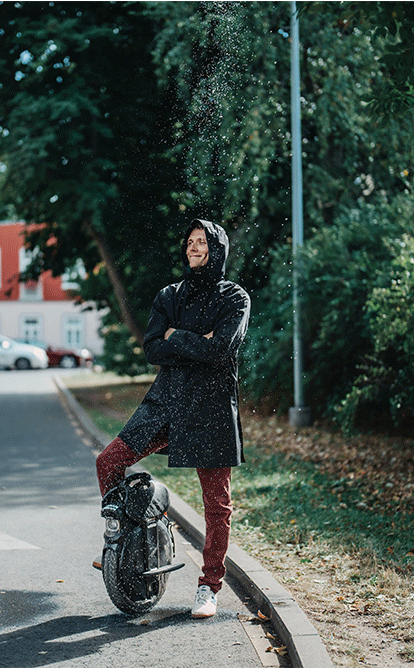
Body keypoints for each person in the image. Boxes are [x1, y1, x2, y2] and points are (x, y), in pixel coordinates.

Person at [95, 219, 251, 619]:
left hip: (212, 408)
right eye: (190, 241)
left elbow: (220, 351)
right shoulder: (169, 295)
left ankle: (209, 586)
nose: (194, 247)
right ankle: (124, 542)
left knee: (216, 505)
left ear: (217, 249)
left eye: (202, 241)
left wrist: (175, 337)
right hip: (166, 401)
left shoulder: (235, 298)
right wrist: (196, 341)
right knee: (108, 461)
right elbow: (152, 348)